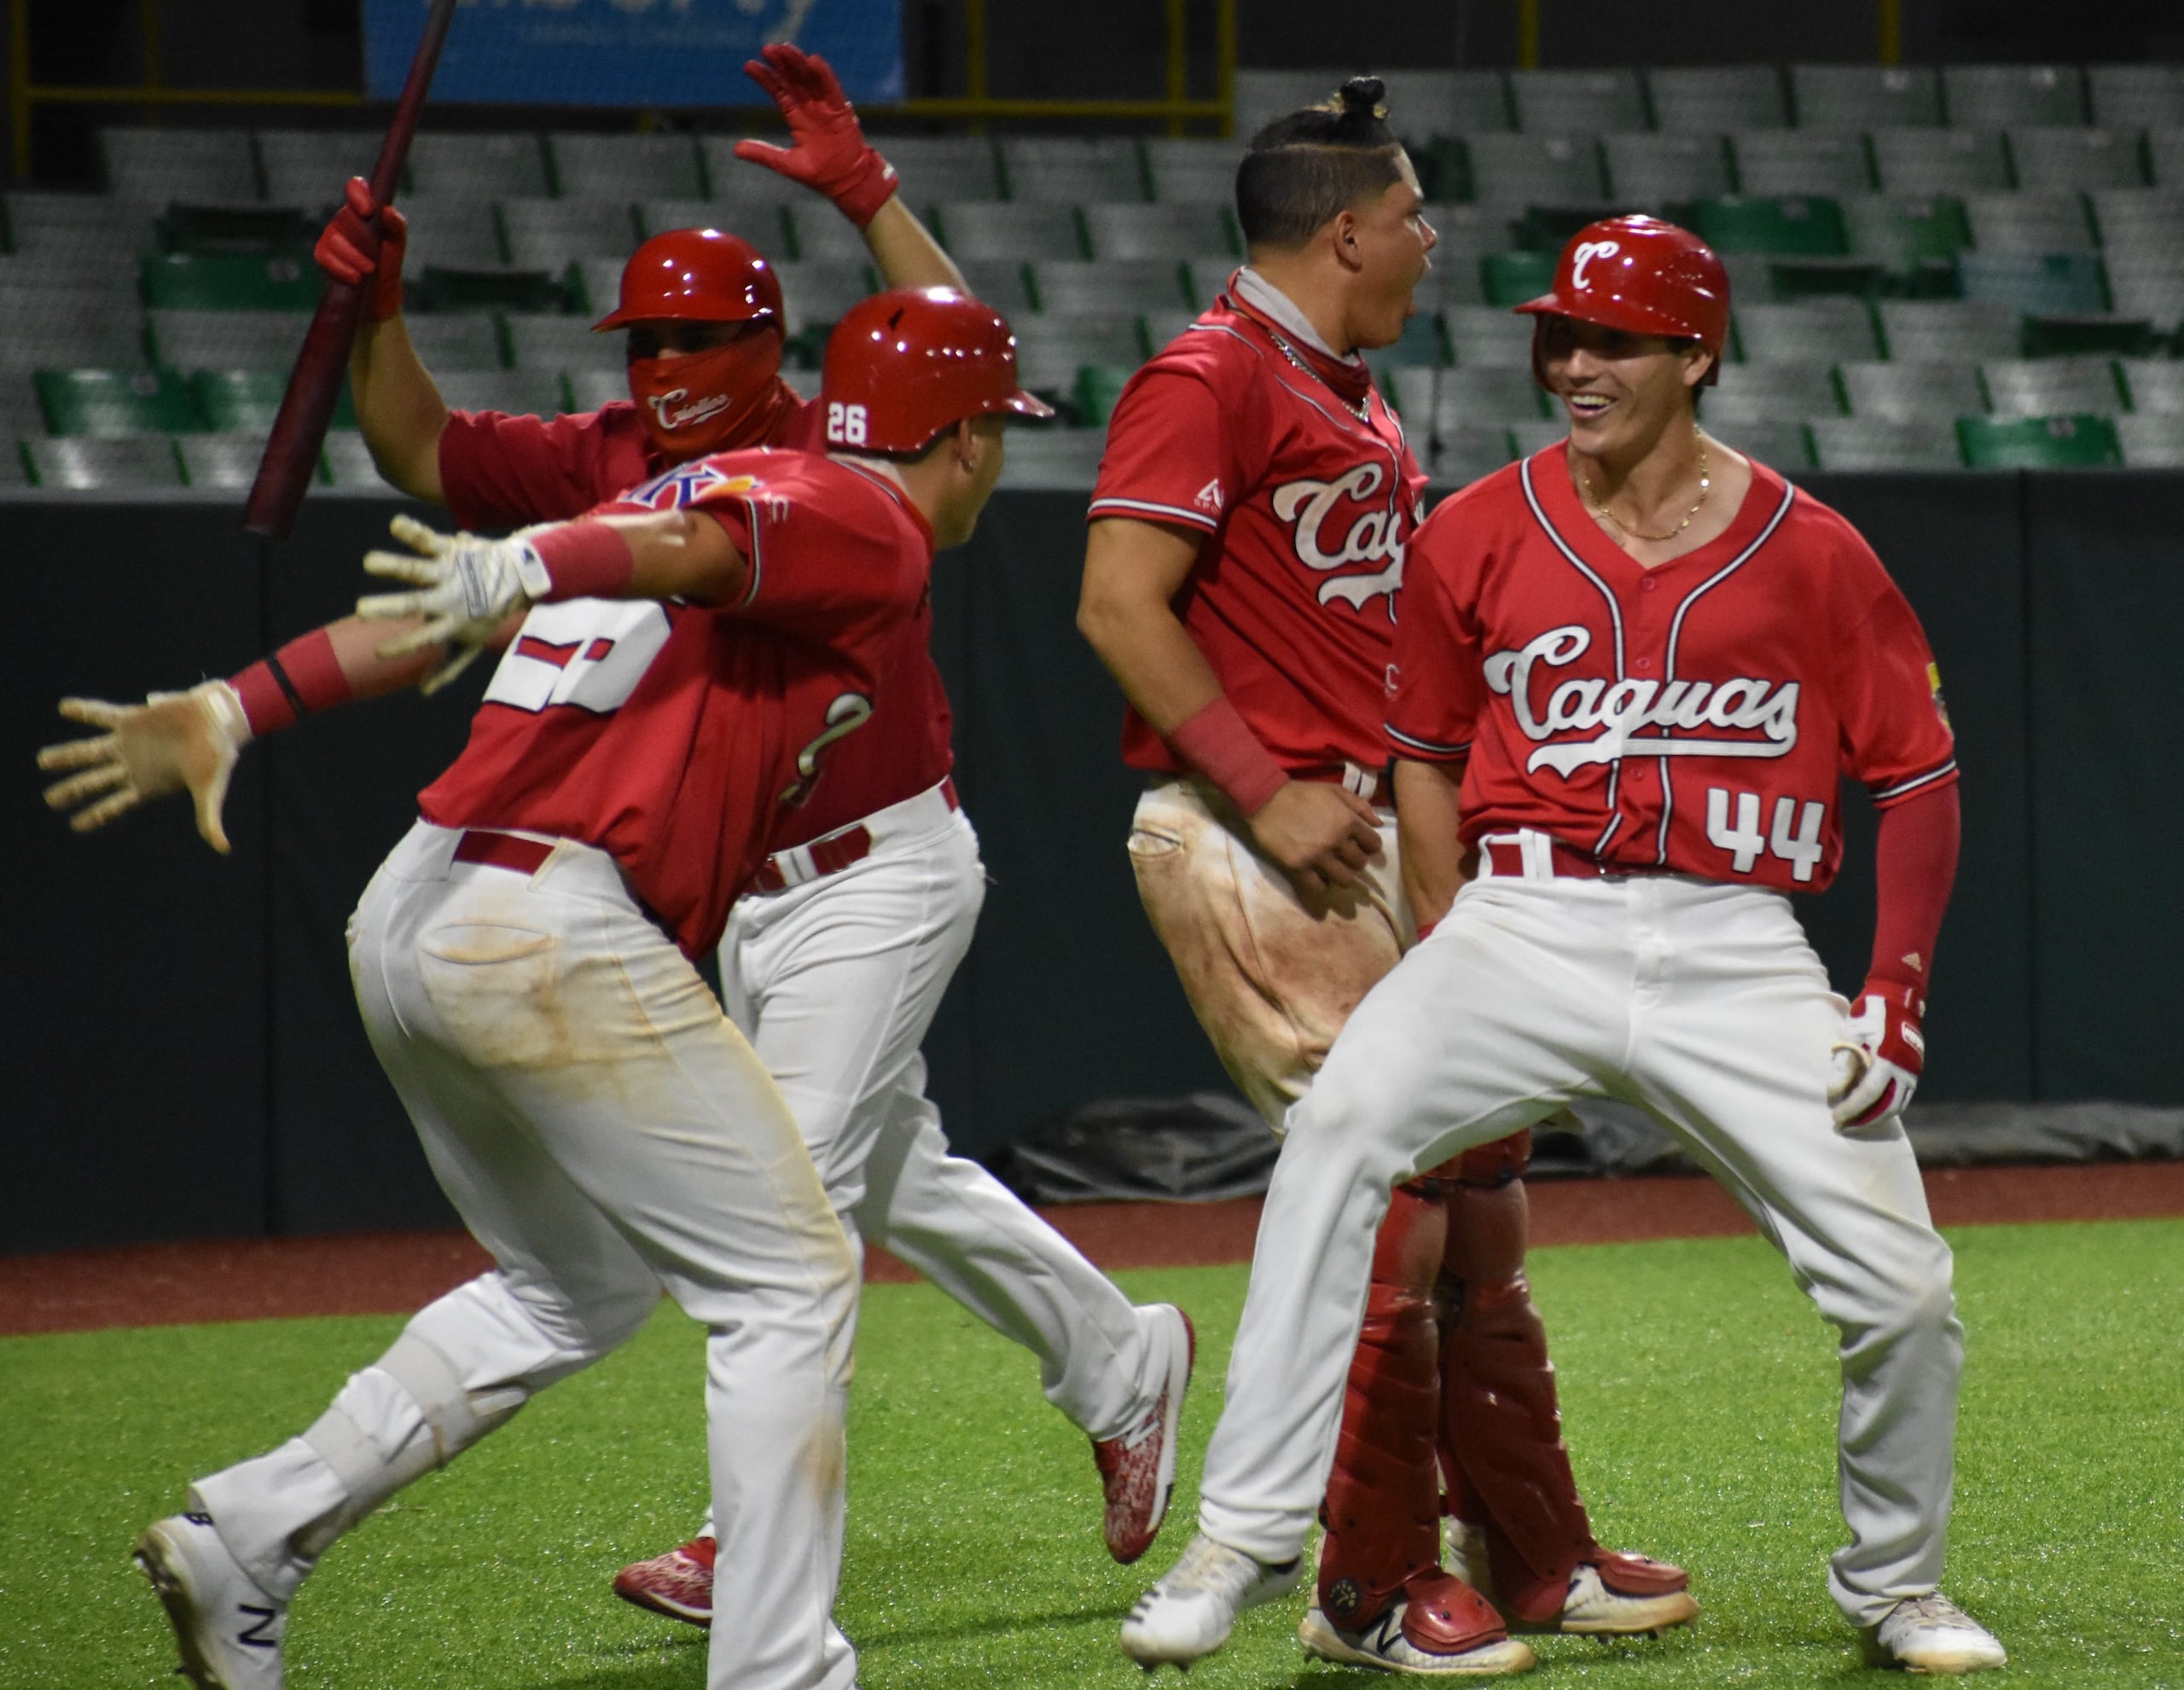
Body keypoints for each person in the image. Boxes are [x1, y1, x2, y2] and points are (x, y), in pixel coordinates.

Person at [55, 45, 1202, 1633]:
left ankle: (268, 1540)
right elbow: (573, 524)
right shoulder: (710, 481)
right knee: (808, 1233)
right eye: (646, 335)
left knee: (743, 1219)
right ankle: (1066, 1408)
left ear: (780, 350)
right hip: (581, 917)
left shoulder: (795, 469)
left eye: (697, 334)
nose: (664, 360)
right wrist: (479, 558)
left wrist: (262, 694)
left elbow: (579, 560)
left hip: (636, 882)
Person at [35, 287, 1040, 1690]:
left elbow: (456, 609)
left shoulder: (686, 482)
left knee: (577, 1285)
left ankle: (251, 1535)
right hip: (546, 924)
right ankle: (782, 1675)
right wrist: (528, 561)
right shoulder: (855, 511)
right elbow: (680, 546)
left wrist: (236, 703)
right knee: (796, 1275)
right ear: (974, 440)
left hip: (411, 905)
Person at [1120, 216, 2007, 1679]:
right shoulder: (1471, 529)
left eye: (1611, 340)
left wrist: (1894, 991)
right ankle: (1246, 1533)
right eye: (1560, 339)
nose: (1575, 364)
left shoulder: (1814, 549)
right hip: (1526, 912)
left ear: (1696, 352)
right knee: (1338, 1131)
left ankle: (1896, 1582)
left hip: (1735, 939)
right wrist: (1458, 931)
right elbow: (1421, 752)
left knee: (1901, 1285)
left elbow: (1917, 773)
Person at [1079, 82, 1691, 1677]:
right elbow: (1117, 603)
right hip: (1255, 826)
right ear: (1345, 230)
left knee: (1479, 1184)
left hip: (1354, 832)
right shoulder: (1206, 377)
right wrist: (1268, 787)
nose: (1432, 239)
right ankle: (1363, 1589)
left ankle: (1536, 1553)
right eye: (1415, 214)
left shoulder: (1339, 384)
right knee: (1395, 1204)